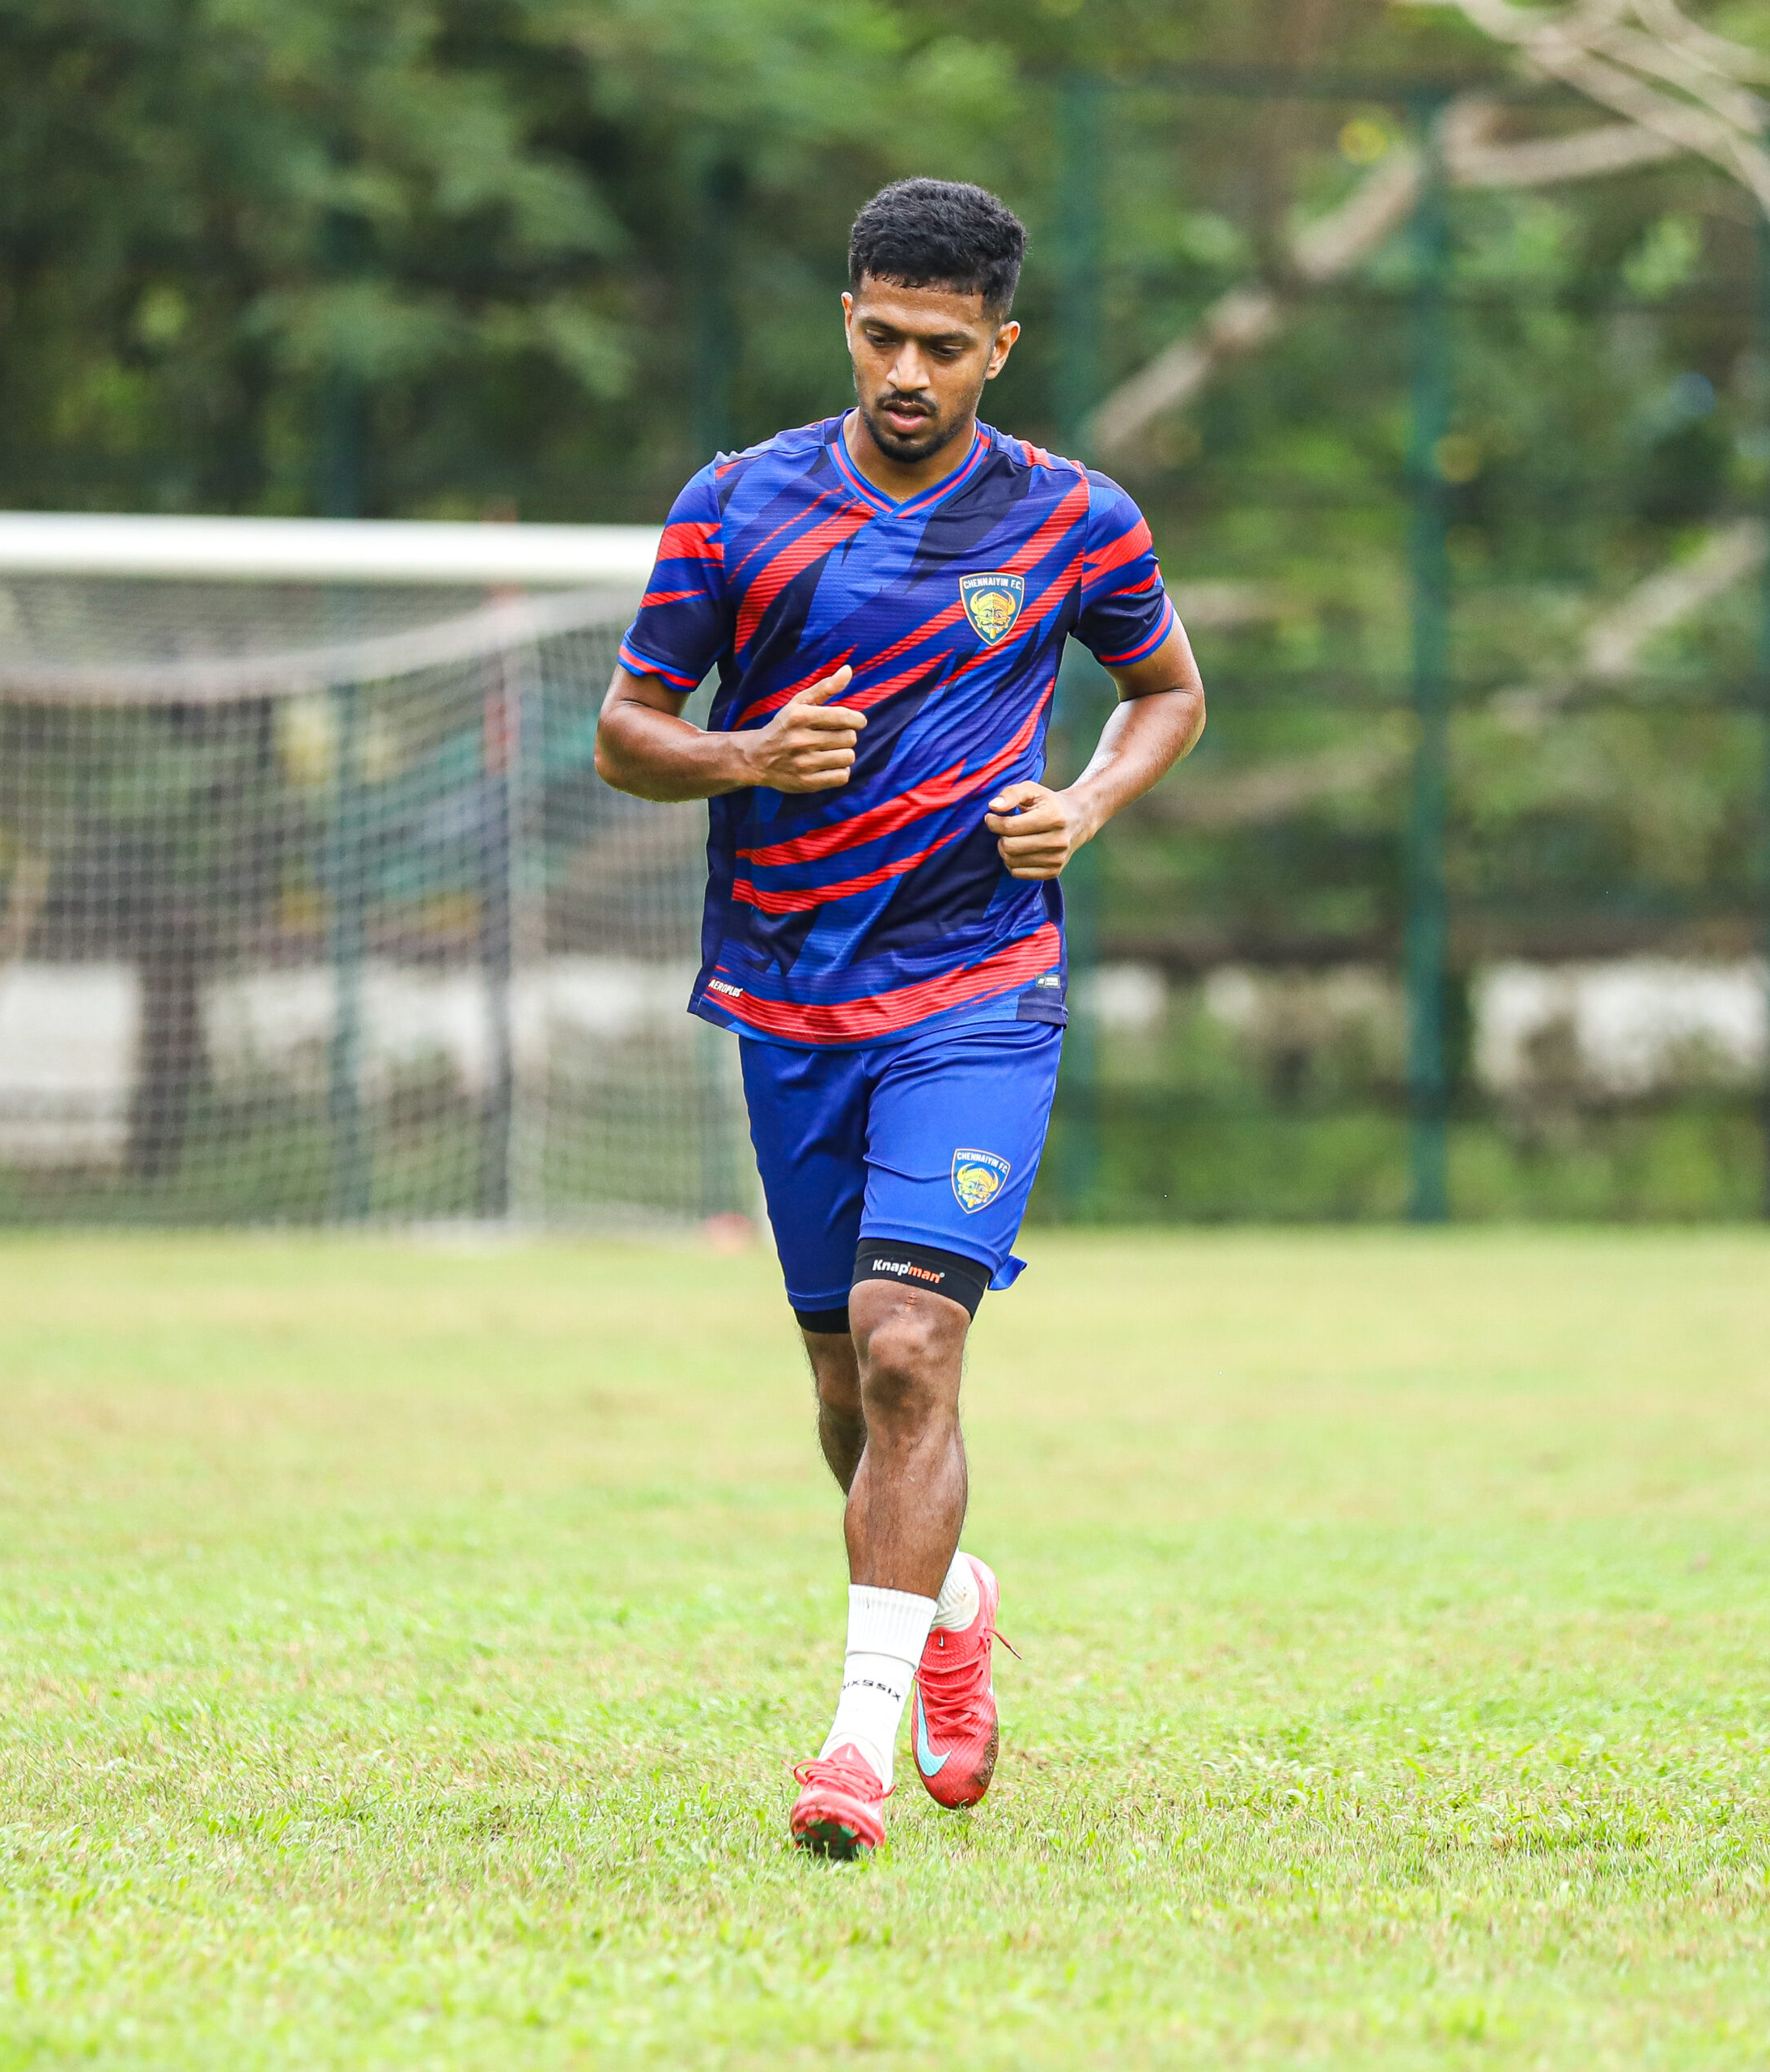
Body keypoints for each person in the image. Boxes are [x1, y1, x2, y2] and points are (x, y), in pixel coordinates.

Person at [594, 176, 1204, 1859]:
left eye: (945, 345)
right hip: (791, 998)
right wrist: (745, 752)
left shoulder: (1077, 517)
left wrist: (1077, 808)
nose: (909, 372)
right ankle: (948, 1608)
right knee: (842, 1398)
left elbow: (1167, 693)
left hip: (982, 990)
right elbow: (626, 730)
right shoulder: (736, 506)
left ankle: (849, 1748)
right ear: (845, 320)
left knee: (910, 1345)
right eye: (883, 336)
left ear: (1000, 346)